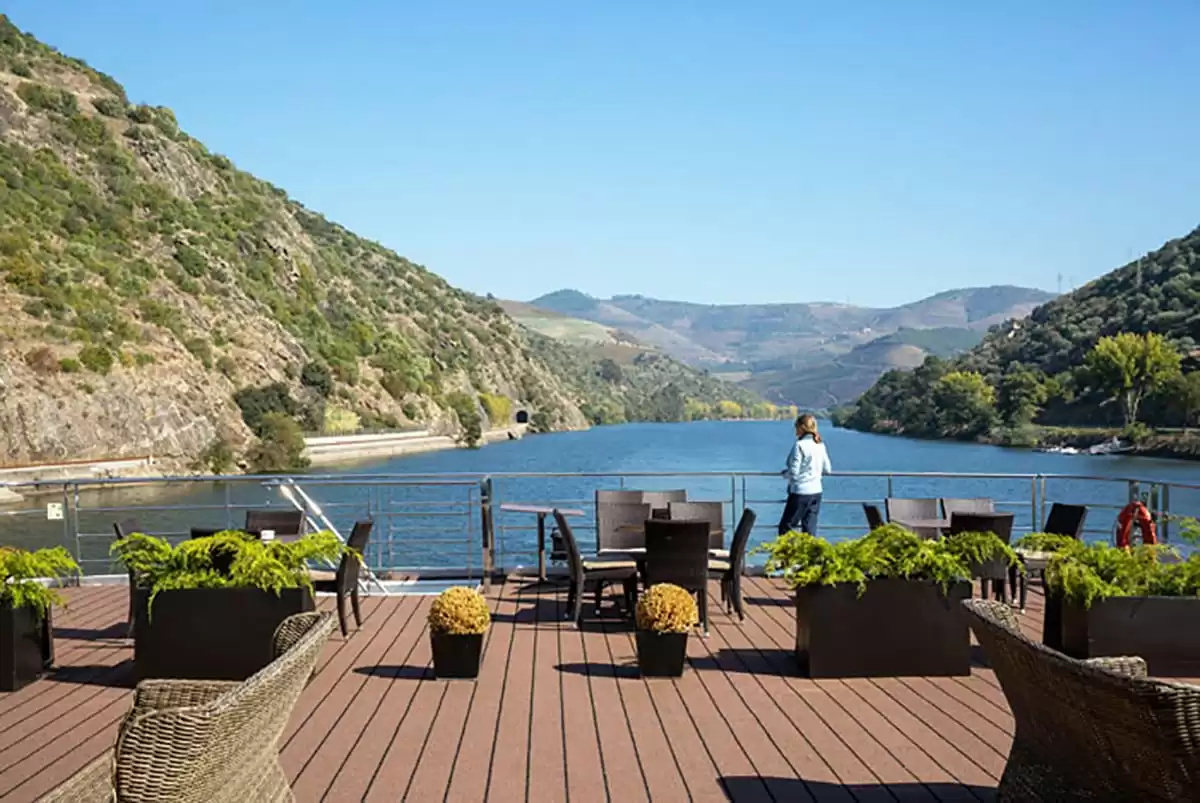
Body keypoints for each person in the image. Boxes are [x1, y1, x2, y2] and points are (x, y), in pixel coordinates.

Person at [778, 414, 832, 536]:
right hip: (816, 492)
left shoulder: (799, 445)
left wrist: (785, 474)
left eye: (796, 427)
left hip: (800, 492)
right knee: (809, 529)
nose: (795, 430)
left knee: (786, 527)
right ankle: (809, 549)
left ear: (802, 427)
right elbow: (828, 469)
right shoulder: (820, 445)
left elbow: (794, 472)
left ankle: (788, 549)